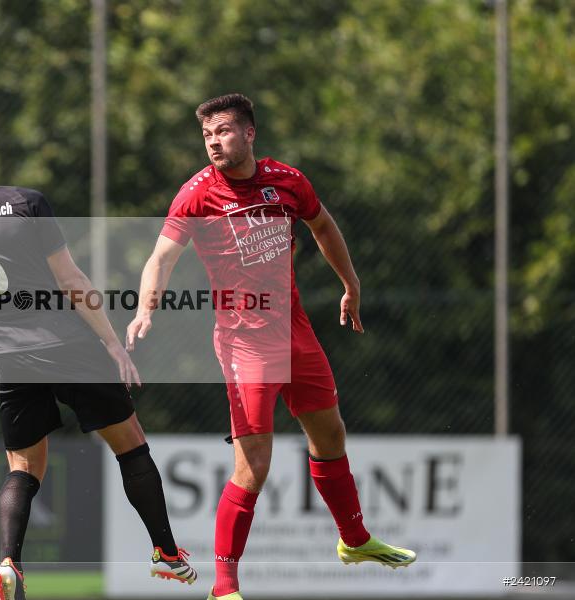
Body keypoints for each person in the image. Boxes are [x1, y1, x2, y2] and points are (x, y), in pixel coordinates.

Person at [126, 94, 415, 600]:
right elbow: (161, 257)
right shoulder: (197, 194)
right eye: (207, 135)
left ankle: (354, 540)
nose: (214, 142)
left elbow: (322, 225)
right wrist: (146, 306)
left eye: (223, 131)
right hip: (243, 342)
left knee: (330, 435)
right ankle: (224, 587)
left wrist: (351, 284)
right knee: (254, 465)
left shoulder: (288, 180)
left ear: (250, 133)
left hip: (295, 330)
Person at [0, 114, 197, 600]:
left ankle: (10, 561)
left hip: (9, 357)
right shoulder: (24, 202)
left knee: (23, 467)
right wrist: (113, 345)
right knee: (131, 446)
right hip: (67, 345)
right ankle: (167, 553)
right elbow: (72, 282)